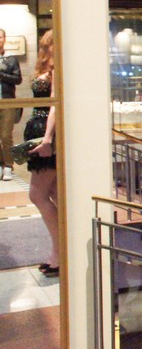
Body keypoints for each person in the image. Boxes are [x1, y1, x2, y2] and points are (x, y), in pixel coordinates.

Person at [26, 30, 59, 277]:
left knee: (37, 194)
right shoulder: (47, 66)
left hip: (47, 132)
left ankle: (59, 253)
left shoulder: (58, 68)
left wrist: (48, 138)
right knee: (54, 193)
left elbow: (54, 105)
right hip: (39, 129)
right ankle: (60, 251)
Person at [0, 28, 22, 181]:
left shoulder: (11, 59)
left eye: (0, 37)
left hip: (7, 101)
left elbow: (18, 79)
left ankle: (8, 165)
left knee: (6, 136)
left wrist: (1, 74)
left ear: (4, 39)